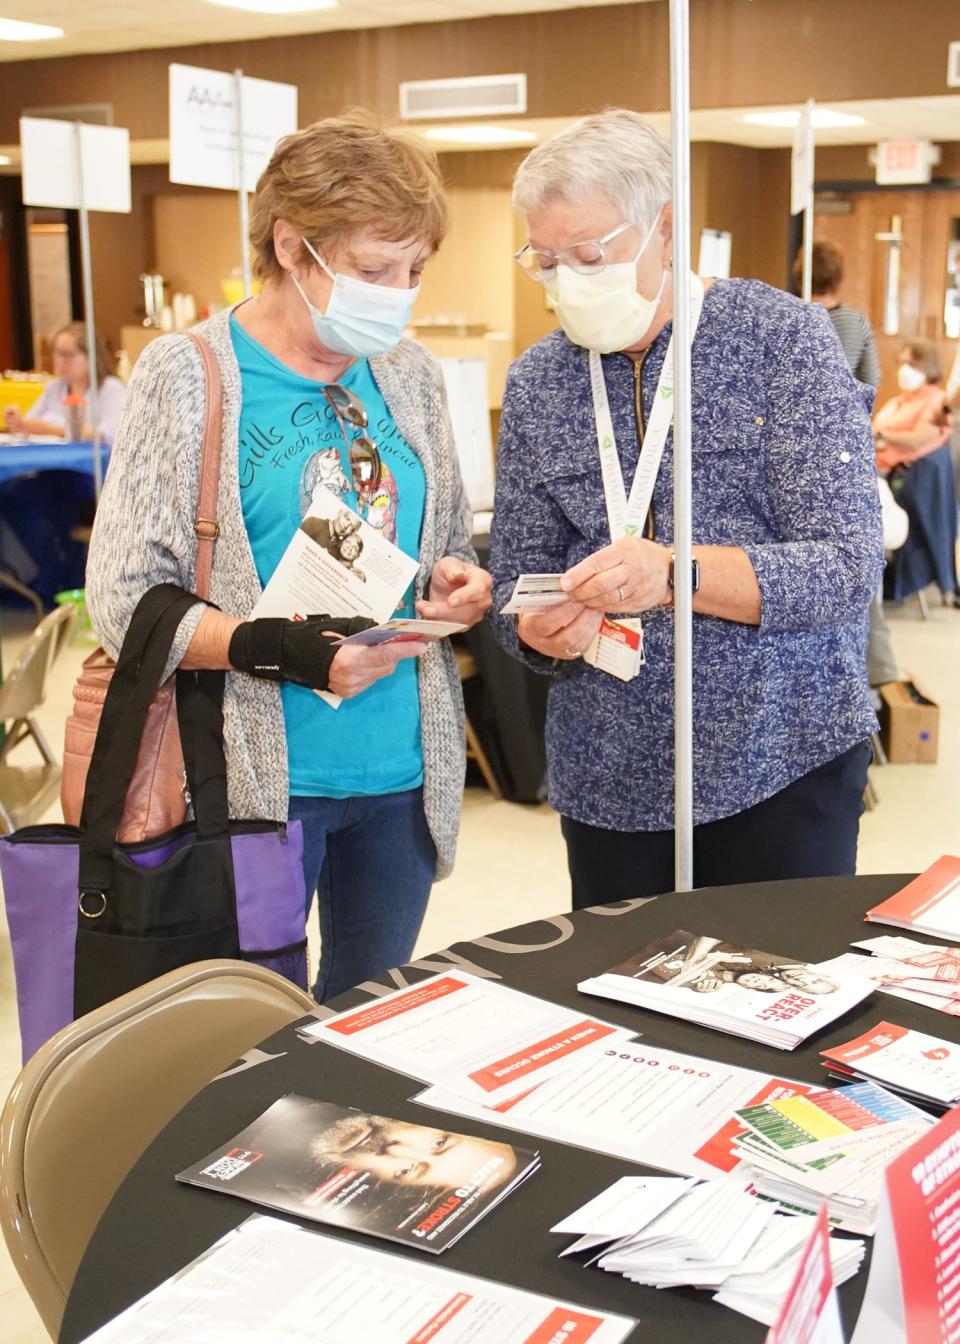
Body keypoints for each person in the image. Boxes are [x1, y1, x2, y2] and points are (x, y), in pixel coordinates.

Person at [86, 113, 491, 1001]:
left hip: (401, 778)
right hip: (255, 781)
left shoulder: (409, 374)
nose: (399, 294)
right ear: (292, 248)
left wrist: (455, 581)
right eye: (375, 270)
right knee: (249, 1046)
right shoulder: (189, 373)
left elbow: (443, 543)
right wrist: (290, 652)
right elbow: (121, 599)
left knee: (367, 1036)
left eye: (414, 271)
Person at [489, 110, 883, 907]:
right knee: (622, 1008)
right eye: (546, 261)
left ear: (665, 230)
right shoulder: (540, 382)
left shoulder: (785, 342)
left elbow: (846, 566)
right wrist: (534, 628)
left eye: (591, 255)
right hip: (609, 775)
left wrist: (676, 573)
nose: (568, 281)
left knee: (777, 1004)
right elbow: (516, 581)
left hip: (781, 759)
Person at [3, 321, 126, 441]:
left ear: (92, 357)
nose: (62, 361)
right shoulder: (55, 387)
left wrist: (50, 430)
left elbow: (107, 436)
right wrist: (16, 421)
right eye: (57, 353)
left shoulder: (111, 388)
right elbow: (28, 423)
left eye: (68, 354)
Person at [797, 239, 880, 389]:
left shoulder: (791, 318)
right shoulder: (856, 322)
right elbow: (871, 380)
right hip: (842, 409)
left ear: (800, 274)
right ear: (837, 276)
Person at [874, 341, 952, 472]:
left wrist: (881, 435)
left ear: (929, 366)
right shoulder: (897, 401)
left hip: (903, 475)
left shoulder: (937, 401)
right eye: (902, 363)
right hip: (876, 466)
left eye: (912, 364)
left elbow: (916, 441)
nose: (904, 370)